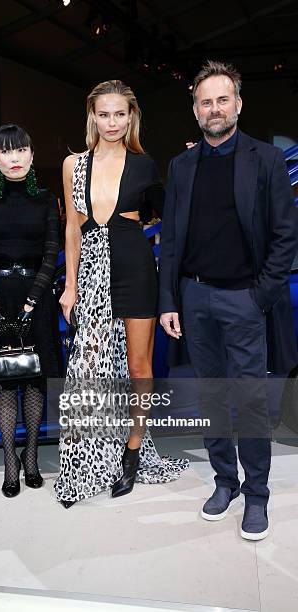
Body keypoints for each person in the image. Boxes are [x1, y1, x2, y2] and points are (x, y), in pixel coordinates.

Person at [159, 60, 298, 540]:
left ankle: (256, 495)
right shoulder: (180, 166)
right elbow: (171, 241)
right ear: (194, 110)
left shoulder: (266, 159)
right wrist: (169, 300)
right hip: (195, 299)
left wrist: (261, 295)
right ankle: (225, 482)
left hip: (244, 300)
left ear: (238, 104)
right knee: (212, 397)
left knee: (252, 401)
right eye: (205, 101)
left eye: (222, 100)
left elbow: (285, 237)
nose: (214, 109)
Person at [55, 79, 189, 508]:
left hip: (135, 266)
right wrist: (70, 284)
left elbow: (171, 218)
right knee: (89, 366)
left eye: (120, 113)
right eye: (104, 113)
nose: (112, 122)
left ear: (131, 116)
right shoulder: (72, 164)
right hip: (91, 271)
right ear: (92, 116)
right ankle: (84, 462)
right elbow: (73, 229)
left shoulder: (145, 164)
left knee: (138, 366)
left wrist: (191, 169)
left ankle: (132, 450)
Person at [0, 124, 62, 498]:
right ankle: (10, 463)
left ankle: (31, 459)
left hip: (36, 298)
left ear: (31, 155)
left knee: (35, 380)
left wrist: (32, 300)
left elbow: (52, 253)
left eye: (21, 150)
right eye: (6, 152)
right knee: (5, 381)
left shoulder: (45, 198)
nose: (15, 157)